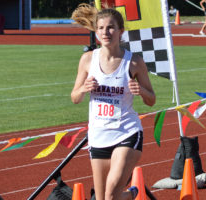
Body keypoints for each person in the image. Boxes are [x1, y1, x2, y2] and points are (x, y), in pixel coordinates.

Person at [71, 3, 156, 200]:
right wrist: (83, 88)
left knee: (110, 195)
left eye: (110, 27)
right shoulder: (87, 60)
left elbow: (151, 100)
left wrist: (141, 90)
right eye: (101, 28)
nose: (105, 32)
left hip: (127, 132)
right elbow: (75, 97)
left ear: (120, 31)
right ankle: (132, 194)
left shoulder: (134, 62)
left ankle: (130, 194)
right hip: (98, 135)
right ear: (96, 32)